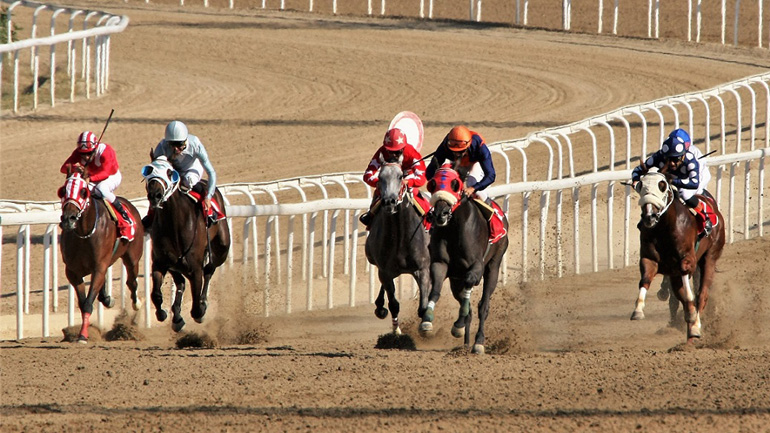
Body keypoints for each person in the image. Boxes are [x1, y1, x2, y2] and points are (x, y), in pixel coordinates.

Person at [631, 128, 713, 236]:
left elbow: (694, 183)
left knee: (684, 193)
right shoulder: (659, 156)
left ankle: (705, 217)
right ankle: (647, 217)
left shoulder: (691, 159)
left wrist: (674, 181)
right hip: (670, 180)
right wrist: (636, 181)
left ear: (683, 154)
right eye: (668, 159)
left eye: (676, 159)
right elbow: (637, 170)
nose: (672, 163)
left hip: (689, 181)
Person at [143, 120, 218, 229]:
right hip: (172, 170)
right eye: (172, 145)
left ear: (185, 140)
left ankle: (210, 211)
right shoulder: (162, 146)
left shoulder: (195, 144)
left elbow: (211, 172)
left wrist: (208, 197)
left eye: (179, 144)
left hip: (191, 168)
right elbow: (156, 170)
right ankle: (151, 215)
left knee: (187, 181)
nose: (176, 149)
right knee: (158, 188)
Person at [359, 128, 427, 226]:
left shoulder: (411, 152)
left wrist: (407, 182)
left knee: (415, 192)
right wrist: (378, 182)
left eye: (398, 152)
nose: (393, 155)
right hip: (388, 180)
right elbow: (368, 174)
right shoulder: (382, 151)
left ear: (403, 148)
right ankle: (370, 217)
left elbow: (422, 177)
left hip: (407, 178)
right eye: (390, 151)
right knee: (379, 193)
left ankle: (428, 216)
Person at [60, 131, 132, 223]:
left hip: (111, 176)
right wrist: (76, 168)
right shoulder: (77, 153)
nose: (86, 157)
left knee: (101, 188)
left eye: (89, 153)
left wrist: (90, 179)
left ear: (95, 148)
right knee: (79, 191)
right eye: (82, 154)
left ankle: (123, 214)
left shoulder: (105, 150)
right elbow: (63, 168)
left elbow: (105, 172)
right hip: (92, 178)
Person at [425, 125, 496, 202]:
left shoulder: (479, 147)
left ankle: (491, 207)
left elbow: (491, 175)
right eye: (454, 151)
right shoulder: (445, 145)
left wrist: (473, 188)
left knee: (473, 185)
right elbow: (430, 170)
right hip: (456, 164)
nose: (457, 154)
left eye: (460, 151)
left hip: (474, 163)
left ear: (468, 145)